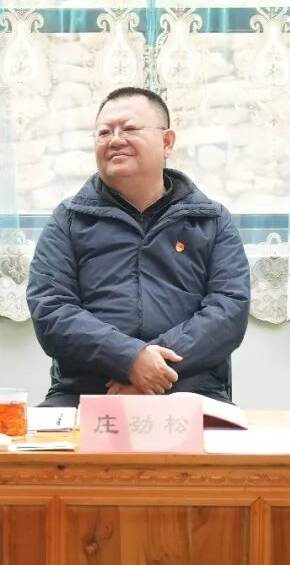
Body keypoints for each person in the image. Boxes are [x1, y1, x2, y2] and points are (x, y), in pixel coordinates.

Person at [27, 87, 250, 407]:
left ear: (167, 142)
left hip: (190, 390)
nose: (115, 139)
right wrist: (130, 359)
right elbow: (51, 310)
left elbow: (228, 312)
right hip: (87, 393)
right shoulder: (69, 219)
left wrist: (154, 371)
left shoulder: (211, 220)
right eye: (104, 132)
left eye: (129, 128)